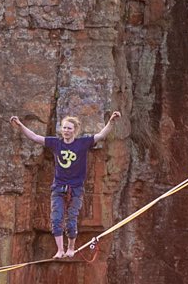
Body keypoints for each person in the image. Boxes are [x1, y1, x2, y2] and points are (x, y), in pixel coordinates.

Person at [10, 111, 120, 258]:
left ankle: (71, 249)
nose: (66, 131)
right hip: (58, 187)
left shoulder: (82, 143)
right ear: (61, 129)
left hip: (76, 188)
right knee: (56, 219)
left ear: (75, 130)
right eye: (64, 128)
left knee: (71, 220)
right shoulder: (56, 143)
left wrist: (111, 121)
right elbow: (35, 137)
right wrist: (20, 125)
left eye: (69, 128)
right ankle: (60, 250)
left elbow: (101, 135)